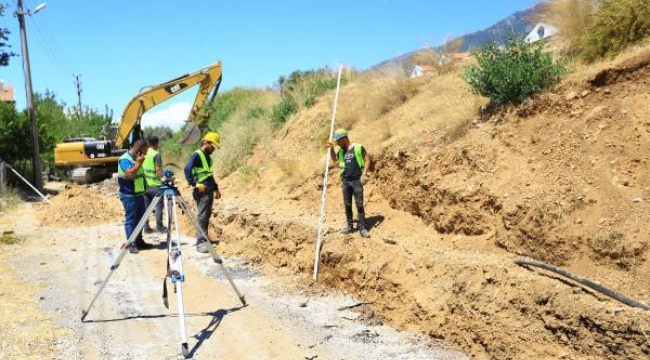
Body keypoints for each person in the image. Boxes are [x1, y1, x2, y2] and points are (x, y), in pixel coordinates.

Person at [328, 128, 374, 238]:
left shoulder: (357, 147)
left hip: (357, 181)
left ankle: (362, 228)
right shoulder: (341, 151)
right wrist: (331, 149)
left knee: (359, 204)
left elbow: (367, 159)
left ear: (344, 138)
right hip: (345, 181)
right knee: (347, 204)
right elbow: (335, 161)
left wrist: (364, 174)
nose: (338, 144)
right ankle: (349, 226)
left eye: (338, 141)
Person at [184, 132, 222, 253]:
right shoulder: (197, 155)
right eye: (213, 147)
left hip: (209, 190)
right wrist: (194, 184)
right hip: (201, 192)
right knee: (202, 216)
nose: (214, 150)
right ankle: (200, 242)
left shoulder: (207, 157)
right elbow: (187, 169)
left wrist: (216, 188)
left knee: (206, 216)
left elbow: (208, 175)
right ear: (207, 143)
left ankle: (204, 238)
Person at [117, 139, 154, 253]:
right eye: (145, 151)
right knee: (131, 220)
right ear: (139, 151)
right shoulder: (125, 159)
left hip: (139, 193)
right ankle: (131, 243)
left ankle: (139, 241)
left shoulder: (138, 159)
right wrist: (138, 163)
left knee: (140, 219)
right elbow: (130, 173)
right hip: (129, 195)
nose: (146, 154)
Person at [142, 136, 167, 234]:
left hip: (145, 185)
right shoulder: (156, 154)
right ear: (156, 143)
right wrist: (164, 179)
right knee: (159, 206)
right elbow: (158, 171)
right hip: (155, 185)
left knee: (146, 207)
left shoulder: (144, 153)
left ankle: (146, 227)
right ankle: (159, 227)